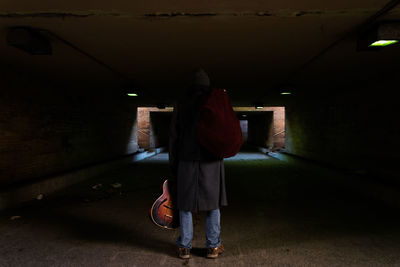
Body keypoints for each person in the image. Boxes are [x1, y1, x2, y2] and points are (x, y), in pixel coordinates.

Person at [169, 68, 228, 259]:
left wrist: (173, 164)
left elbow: (174, 137)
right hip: (211, 160)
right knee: (213, 204)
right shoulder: (215, 102)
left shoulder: (182, 103)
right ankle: (213, 246)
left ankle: (185, 247)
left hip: (186, 160)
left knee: (185, 204)